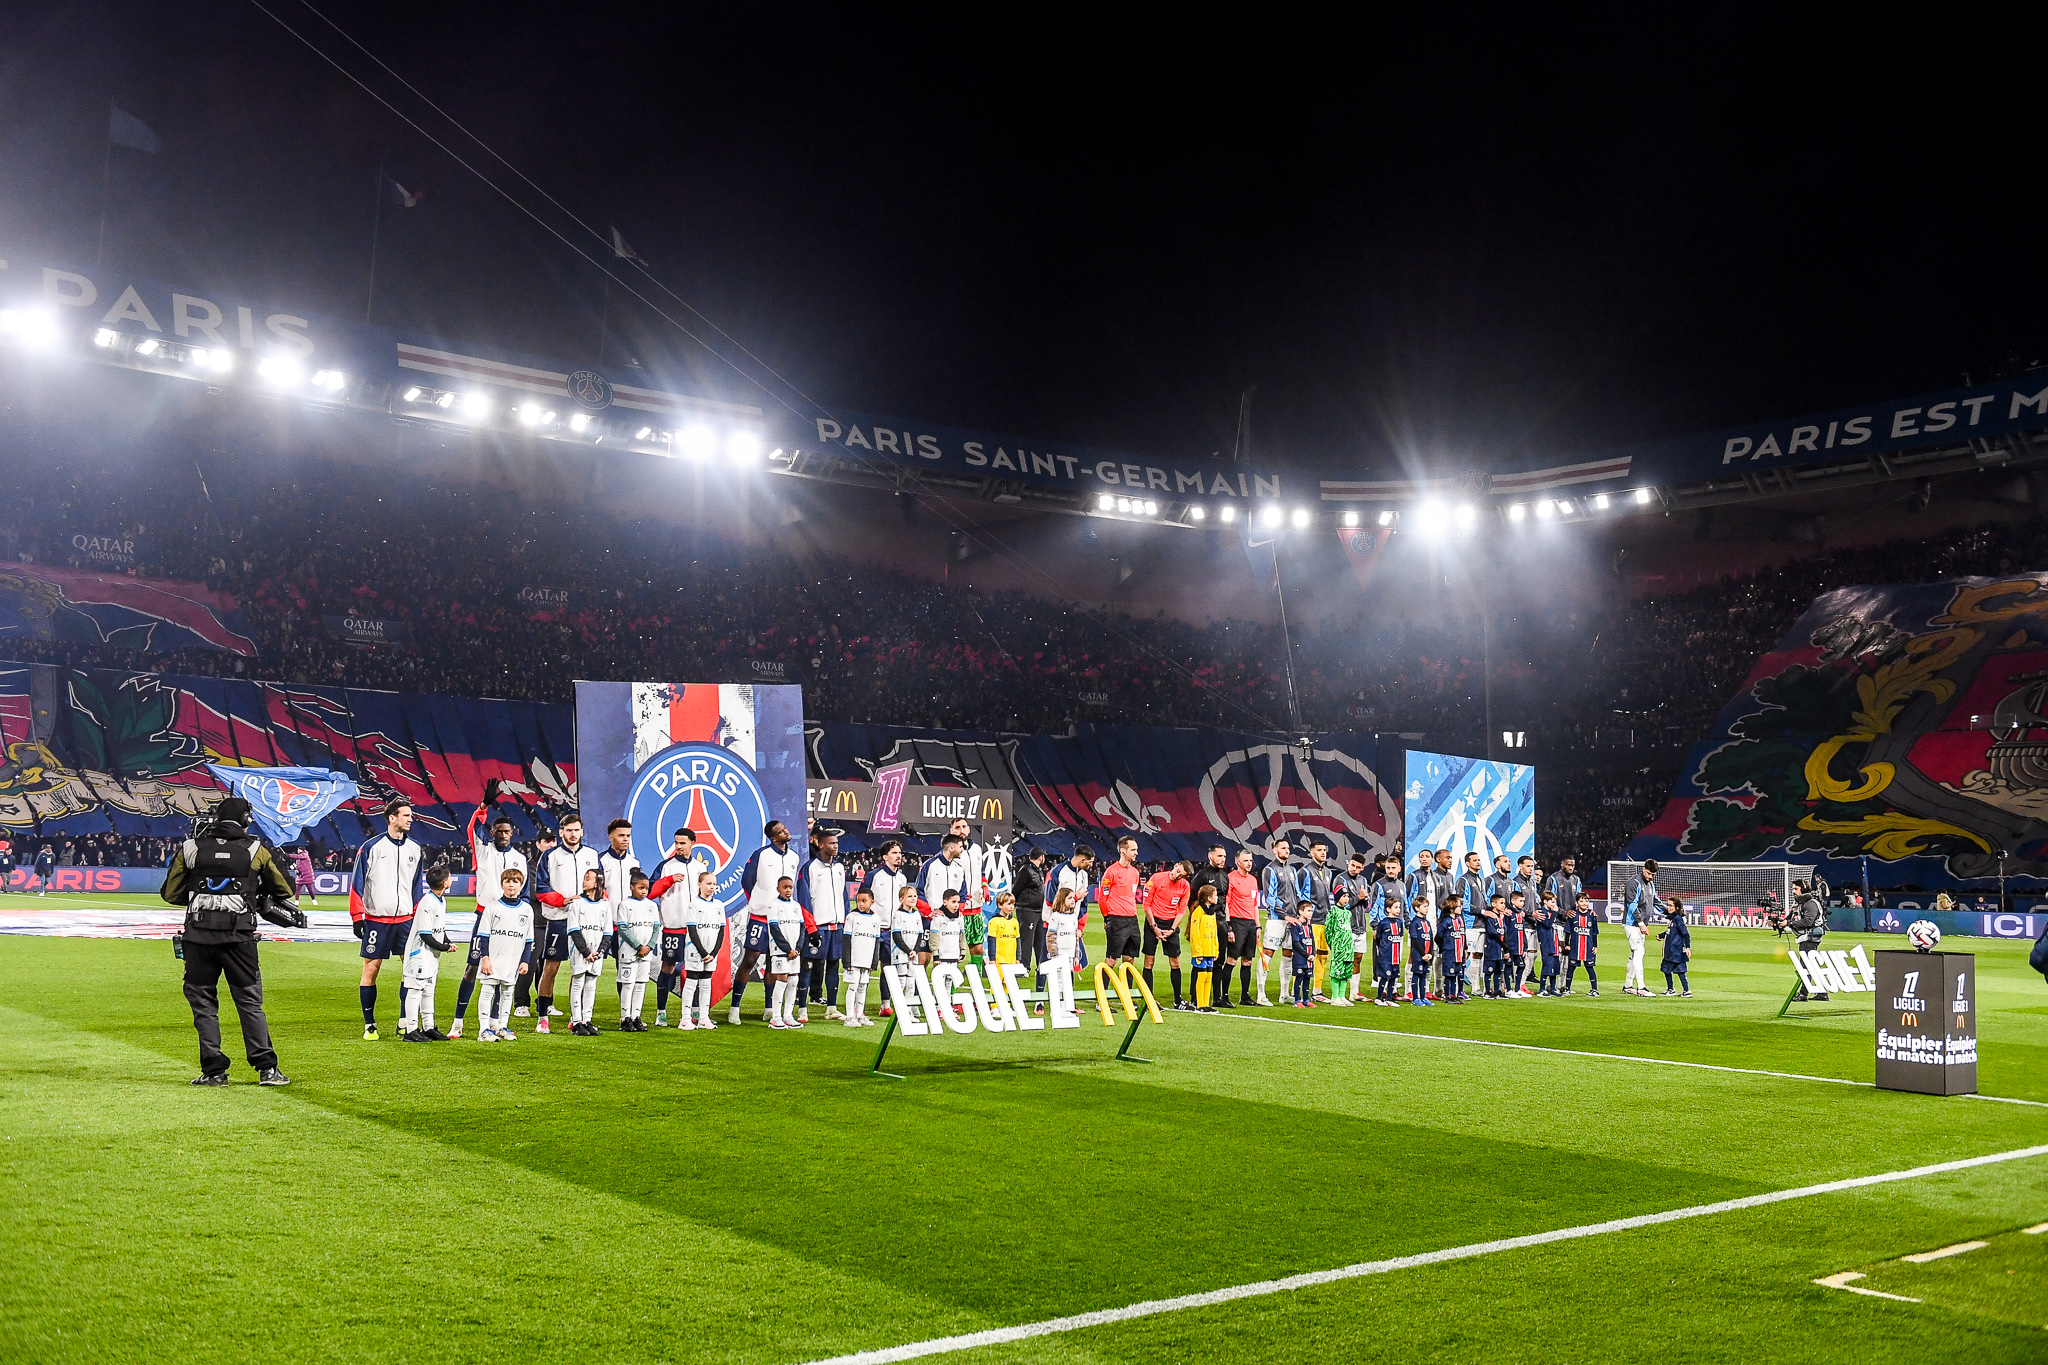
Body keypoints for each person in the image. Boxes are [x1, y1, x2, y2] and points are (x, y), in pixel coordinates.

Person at [161, 796, 300, 1085]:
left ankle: (213, 1072)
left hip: (198, 940)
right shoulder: (255, 850)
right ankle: (267, 1069)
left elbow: (171, 894)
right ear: (247, 820)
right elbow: (285, 888)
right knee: (249, 1002)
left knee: (203, 1003)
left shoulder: (189, 848)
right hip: (239, 939)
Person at [349, 797, 424, 1042]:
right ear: (392, 818)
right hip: (376, 920)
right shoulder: (371, 847)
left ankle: (405, 1020)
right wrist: (357, 916)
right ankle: (370, 1024)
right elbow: (357, 884)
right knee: (371, 968)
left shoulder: (415, 849)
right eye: (406, 815)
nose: (410, 818)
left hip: (405, 920)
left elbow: (416, 889)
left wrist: (420, 916)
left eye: (411, 815)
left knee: (410, 970)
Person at [453, 794, 526, 1038]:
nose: (502, 835)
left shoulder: (520, 859)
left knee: (503, 970)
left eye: (506, 831)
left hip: (509, 919)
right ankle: (458, 1021)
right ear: (492, 833)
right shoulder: (483, 852)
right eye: (498, 831)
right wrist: (483, 806)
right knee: (472, 968)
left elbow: (522, 891)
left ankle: (496, 1023)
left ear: (512, 833)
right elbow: (472, 827)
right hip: (485, 915)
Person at [534, 814, 600, 1031]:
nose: (573, 834)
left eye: (576, 830)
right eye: (568, 830)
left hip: (584, 922)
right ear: (561, 832)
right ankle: (543, 1016)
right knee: (551, 967)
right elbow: (541, 888)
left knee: (580, 970)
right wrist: (563, 900)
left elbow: (600, 887)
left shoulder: (591, 855)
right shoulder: (550, 856)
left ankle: (577, 1016)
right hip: (559, 919)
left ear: (582, 831)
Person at [732, 819, 801, 1024]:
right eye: (781, 831)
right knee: (750, 959)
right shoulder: (761, 854)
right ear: (773, 837)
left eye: (786, 828)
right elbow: (747, 880)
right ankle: (734, 1008)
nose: (786, 832)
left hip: (783, 919)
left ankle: (770, 1008)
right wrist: (758, 901)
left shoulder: (794, 857)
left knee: (775, 963)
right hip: (761, 916)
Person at [650, 828, 712, 1027]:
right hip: (674, 926)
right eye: (676, 842)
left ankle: (695, 1012)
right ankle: (661, 1012)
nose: (678, 846)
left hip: (697, 929)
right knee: (668, 966)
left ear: (693, 843)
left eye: (682, 843)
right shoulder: (666, 866)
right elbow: (650, 892)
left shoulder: (700, 868)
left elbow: (708, 895)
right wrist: (668, 880)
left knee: (695, 969)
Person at [542, 867, 611, 1037]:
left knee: (591, 985)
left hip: (596, 953)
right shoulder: (577, 903)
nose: (584, 881)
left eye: (588, 878)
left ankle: (587, 1020)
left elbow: (607, 932)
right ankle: (577, 1021)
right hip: (580, 952)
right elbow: (573, 929)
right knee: (578, 982)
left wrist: (600, 951)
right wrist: (586, 952)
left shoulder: (604, 905)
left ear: (597, 883)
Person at [475, 868, 535, 1042]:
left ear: (521, 885)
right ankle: (484, 1029)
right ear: (502, 885)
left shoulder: (527, 910)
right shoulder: (492, 907)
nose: (511, 885)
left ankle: (502, 1026)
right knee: (487, 992)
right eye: (508, 881)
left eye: (515, 881)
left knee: (508, 992)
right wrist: (485, 958)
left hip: (512, 960)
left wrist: (525, 961)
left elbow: (528, 939)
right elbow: (483, 936)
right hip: (493, 960)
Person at [796, 829, 848, 1022]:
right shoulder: (809, 868)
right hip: (818, 926)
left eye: (836, 843)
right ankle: (802, 1008)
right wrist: (811, 928)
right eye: (831, 843)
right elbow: (804, 901)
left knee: (834, 965)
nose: (835, 846)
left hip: (837, 926)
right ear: (821, 845)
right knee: (808, 965)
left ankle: (832, 1008)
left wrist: (845, 921)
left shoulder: (840, 868)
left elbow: (844, 897)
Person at [400, 865, 456, 1041]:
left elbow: (438, 928)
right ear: (446, 882)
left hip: (430, 955)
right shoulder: (427, 902)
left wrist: (446, 941)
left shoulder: (440, 900)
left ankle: (428, 1026)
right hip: (419, 954)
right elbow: (425, 934)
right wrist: (444, 947)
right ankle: (410, 1030)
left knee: (429, 990)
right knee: (415, 990)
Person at [1258, 840, 1306, 1005]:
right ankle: (1261, 995)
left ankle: (1284, 995)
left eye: (1288, 848)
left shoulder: (1292, 870)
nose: (1287, 850)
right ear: (1274, 849)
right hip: (1277, 920)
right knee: (1267, 955)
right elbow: (1270, 898)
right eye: (1283, 848)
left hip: (1292, 920)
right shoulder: (1269, 870)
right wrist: (1285, 916)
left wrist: (1302, 912)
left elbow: (1298, 894)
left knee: (1288, 956)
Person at [1140, 858, 1191, 1008]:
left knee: (1175, 962)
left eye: (1182, 875)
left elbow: (1182, 911)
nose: (1178, 875)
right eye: (1178, 871)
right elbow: (1146, 905)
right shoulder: (1156, 878)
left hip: (1171, 924)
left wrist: (1172, 929)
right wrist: (1154, 926)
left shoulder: (1185, 886)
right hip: (1153, 921)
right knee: (1149, 961)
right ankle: (1148, 1000)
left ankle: (1178, 1000)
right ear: (1175, 866)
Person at [614, 869, 661, 1031]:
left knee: (641, 984)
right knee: (628, 984)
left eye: (646, 888)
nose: (644, 891)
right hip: (629, 951)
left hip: (646, 952)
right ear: (632, 887)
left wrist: (650, 946)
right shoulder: (625, 905)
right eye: (641, 888)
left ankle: (636, 1017)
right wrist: (638, 946)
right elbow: (623, 929)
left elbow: (656, 928)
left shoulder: (652, 906)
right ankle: (625, 1018)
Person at [679, 869, 725, 1030]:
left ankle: (704, 1017)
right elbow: (692, 930)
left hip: (711, 954)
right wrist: (703, 952)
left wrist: (713, 953)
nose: (712, 887)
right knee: (691, 982)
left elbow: (721, 931)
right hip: (695, 951)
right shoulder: (694, 904)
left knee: (706, 984)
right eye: (708, 883)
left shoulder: (719, 905)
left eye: (714, 884)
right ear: (700, 885)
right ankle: (685, 1018)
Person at [1223, 847, 1261, 1007]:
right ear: (1237, 862)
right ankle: (1224, 995)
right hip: (1237, 922)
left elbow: (1254, 906)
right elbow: (1226, 903)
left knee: (1248, 961)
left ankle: (1244, 996)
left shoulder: (1253, 880)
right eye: (1246, 860)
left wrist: (1258, 927)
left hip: (1251, 924)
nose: (1249, 863)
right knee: (1232, 959)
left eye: (1251, 860)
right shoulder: (1231, 878)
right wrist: (1229, 927)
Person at [768, 874, 806, 1029]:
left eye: (790, 887)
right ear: (778, 889)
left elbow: (802, 929)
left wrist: (797, 948)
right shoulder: (774, 905)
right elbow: (774, 929)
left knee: (793, 980)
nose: (788, 890)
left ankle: (788, 1015)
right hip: (780, 950)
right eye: (785, 887)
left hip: (794, 952)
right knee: (782, 979)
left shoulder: (796, 906)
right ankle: (775, 1017)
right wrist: (787, 949)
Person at [842, 887, 882, 1027]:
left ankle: (860, 1015)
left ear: (872, 902)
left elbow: (876, 941)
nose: (861, 904)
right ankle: (849, 1016)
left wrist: (874, 961)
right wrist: (846, 960)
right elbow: (846, 940)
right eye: (858, 901)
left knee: (863, 987)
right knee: (852, 986)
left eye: (864, 901)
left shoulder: (876, 919)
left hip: (867, 959)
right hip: (854, 960)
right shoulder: (851, 917)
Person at [1011, 845, 1049, 992]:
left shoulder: (1037, 870)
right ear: (1041, 857)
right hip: (1027, 910)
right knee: (1027, 939)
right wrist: (1012, 905)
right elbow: (1016, 889)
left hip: (1039, 910)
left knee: (1040, 939)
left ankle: (1041, 964)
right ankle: (1024, 967)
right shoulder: (1026, 871)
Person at [1620, 860, 1659, 996]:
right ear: (1643, 869)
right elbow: (1631, 905)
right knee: (1639, 951)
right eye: (1648, 873)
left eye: (1653, 875)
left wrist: (1669, 913)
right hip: (1631, 924)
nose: (1650, 877)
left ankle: (1628, 985)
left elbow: (1655, 901)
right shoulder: (1634, 883)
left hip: (1641, 923)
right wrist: (1641, 923)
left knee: (1634, 954)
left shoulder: (1651, 885)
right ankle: (1641, 987)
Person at [1788, 880, 1828, 1001]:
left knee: (1805, 966)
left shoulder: (1811, 903)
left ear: (1803, 890)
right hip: (1806, 938)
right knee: (1812, 966)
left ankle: (1803, 994)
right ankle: (1822, 993)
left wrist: (1790, 923)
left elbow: (1807, 922)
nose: (1793, 891)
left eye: (1796, 889)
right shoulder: (1802, 904)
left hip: (1810, 938)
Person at [1184, 882, 1221, 1011]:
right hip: (1201, 952)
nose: (1217, 898)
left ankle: (1206, 1003)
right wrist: (1198, 951)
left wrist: (1216, 950)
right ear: (1209, 898)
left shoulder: (1212, 913)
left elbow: (1214, 932)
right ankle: (1199, 1003)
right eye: (1215, 895)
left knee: (1209, 976)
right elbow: (1195, 934)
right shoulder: (1198, 912)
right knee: (1201, 976)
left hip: (1210, 950)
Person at [1323, 871, 1355, 1007]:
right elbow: (1328, 930)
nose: (1346, 899)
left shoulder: (1348, 913)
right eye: (1343, 896)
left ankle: (1342, 995)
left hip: (1349, 947)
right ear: (1337, 897)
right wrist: (1334, 945)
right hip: (1339, 947)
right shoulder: (1333, 912)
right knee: (1337, 972)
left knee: (1346, 973)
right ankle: (1335, 996)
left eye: (1347, 896)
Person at [1436, 895, 1470, 1003]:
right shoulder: (1446, 921)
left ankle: (1454, 995)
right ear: (1451, 908)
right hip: (1450, 953)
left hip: (1459, 953)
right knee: (1449, 976)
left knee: (1456, 975)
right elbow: (1438, 937)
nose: (1460, 908)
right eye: (1458, 907)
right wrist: (1444, 948)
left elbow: (1462, 936)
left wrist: (1464, 948)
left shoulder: (1459, 920)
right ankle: (1448, 995)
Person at [1566, 892, 1601, 997]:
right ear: (1577, 903)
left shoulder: (1592, 916)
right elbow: (1568, 931)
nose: (1584, 903)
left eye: (1586, 901)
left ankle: (1595, 989)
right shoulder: (1573, 915)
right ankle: (1567, 988)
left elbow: (1594, 932)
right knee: (1571, 967)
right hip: (1575, 946)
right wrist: (1567, 944)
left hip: (1588, 946)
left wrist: (1595, 946)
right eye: (1581, 901)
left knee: (1590, 968)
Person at [1403, 894, 1435, 1006]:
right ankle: (1415, 998)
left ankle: (1423, 997)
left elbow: (1431, 938)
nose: (1427, 908)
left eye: (1427, 906)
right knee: (1416, 974)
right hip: (1418, 954)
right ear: (1417, 908)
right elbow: (1415, 940)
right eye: (1424, 906)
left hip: (1426, 954)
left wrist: (1430, 953)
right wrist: (1422, 954)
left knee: (1424, 975)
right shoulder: (1414, 923)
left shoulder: (1427, 923)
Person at [1657, 896, 1692, 996]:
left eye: (1671, 905)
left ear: (1676, 907)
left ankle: (1674, 989)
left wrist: (1688, 948)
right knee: (1676, 970)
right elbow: (1671, 931)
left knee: (1668, 969)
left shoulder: (1677, 919)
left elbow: (1686, 934)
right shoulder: (1673, 919)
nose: (1668, 907)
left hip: (1675, 950)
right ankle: (1684, 990)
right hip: (1673, 950)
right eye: (1668, 905)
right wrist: (1661, 935)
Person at [986, 891, 1021, 976]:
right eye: (1009, 904)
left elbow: (1017, 941)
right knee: (997, 986)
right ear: (1000, 905)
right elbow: (992, 941)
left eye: (1013, 904)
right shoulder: (994, 922)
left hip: (1011, 960)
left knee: (1010, 986)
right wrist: (992, 959)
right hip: (999, 961)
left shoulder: (1014, 922)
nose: (1011, 907)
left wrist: (1018, 958)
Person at [1287, 910, 1315, 1007]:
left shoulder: (1309, 925)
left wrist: (1313, 953)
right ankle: (1297, 1000)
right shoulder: (1295, 925)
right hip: (1300, 958)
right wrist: (1307, 955)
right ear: (1301, 912)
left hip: (1310, 959)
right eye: (1309, 911)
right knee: (1299, 978)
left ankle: (1306, 999)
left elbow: (1313, 940)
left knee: (1307, 978)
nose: (1311, 913)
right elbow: (1296, 943)